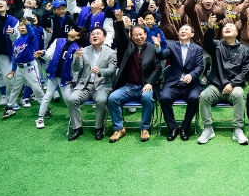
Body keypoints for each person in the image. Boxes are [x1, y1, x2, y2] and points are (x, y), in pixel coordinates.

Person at [108, 9, 162, 143]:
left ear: (145, 34)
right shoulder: (128, 46)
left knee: (147, 98)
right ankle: (119, 128)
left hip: (144, 86)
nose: (138, 37)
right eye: (135, 35)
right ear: (131, 36)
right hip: (127, 86)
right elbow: (121, 36)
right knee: (112, 98)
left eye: (141, 34)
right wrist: (119, 21)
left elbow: (157, 68)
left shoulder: (152, 48)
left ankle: (145, 128)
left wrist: (150, 83)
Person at [197, 14, 249, 145]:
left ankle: (238, 129)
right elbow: (206, 42)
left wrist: (232, 84)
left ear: (236, 33)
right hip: (216, 86)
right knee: (204, 96)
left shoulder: (244, 50)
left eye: (231, 27)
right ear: (221, 33)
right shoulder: (216, 46)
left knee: (239, 95)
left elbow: (245, 71)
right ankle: (208, 128)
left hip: (234, 87)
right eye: (225, 27)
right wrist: (210, 27)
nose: (227, 28)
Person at [66, 27, 117, 141]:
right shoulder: (83, 50)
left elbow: (112, 69)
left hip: (103, 85)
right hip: (85, 85)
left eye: (98, 34)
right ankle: (77, 128)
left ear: (104, 37)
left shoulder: (111, 52)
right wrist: (77, 58)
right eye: (93, 34)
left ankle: (99, 128)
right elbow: (75, 69)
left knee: (100, 100)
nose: (94, 36)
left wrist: (101, 71)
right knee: (72, 99)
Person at [155, 25, 204, 141]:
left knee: (194, 98)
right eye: (181, 30)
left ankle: (185, 128)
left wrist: (192, 75)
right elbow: (162, 55)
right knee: (164, 98)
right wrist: (157, 46)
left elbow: (200, 66)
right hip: (173, 84)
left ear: (192, 34)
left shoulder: (197, 49)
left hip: (191, 85)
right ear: (178, 34)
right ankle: (173, 128)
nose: (183, 31)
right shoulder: (172, 46)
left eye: (186, 29)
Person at [35, 27, 87, 129]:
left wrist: (74, 79)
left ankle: (76, 116)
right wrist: (43, 53)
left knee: (68, 98)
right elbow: (49, 55)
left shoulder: (77, 49)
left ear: (77, 37)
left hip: (65, 77)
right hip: (53, 74)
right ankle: (40, 118)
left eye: (75, 30)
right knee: (47, 96)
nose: (72, 29)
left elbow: (76, 68)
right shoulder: (58, 41)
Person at [2, 17, 45, 120]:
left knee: (36, 88)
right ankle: (9, 107)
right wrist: (13, 70)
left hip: (30, 66)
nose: (22, 27)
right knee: (15, 88)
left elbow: (31, 34)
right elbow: (15, 57)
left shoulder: (30, 38)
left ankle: (45, 108)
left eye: (24, 26)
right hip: (20, 68)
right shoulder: (17, 41)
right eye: (21, 25)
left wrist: (28, 24)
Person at [0, 0, 21, 107]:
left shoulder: (13, 21)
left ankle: (11, 100)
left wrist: (12, 33)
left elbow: (16, 39)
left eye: (3, 1)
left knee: (9, 78)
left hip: (5, 54)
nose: (1, 2)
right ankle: (3, 95)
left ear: (7, 7)